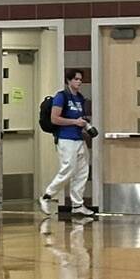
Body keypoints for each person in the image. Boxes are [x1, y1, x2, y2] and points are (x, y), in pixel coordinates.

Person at [39, 69, 94, 217]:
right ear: (69, 81)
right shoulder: (61, 97)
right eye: (76, 79)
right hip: (65, 138)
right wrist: (74, 122)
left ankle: (77, 205)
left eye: (80, 79)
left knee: (82, 172)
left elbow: (80, 118)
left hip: (78, 139)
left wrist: (85, 125)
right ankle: (47, 196)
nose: (79, 82)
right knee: (68, 169)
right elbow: (54, 118)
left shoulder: (80, 98)